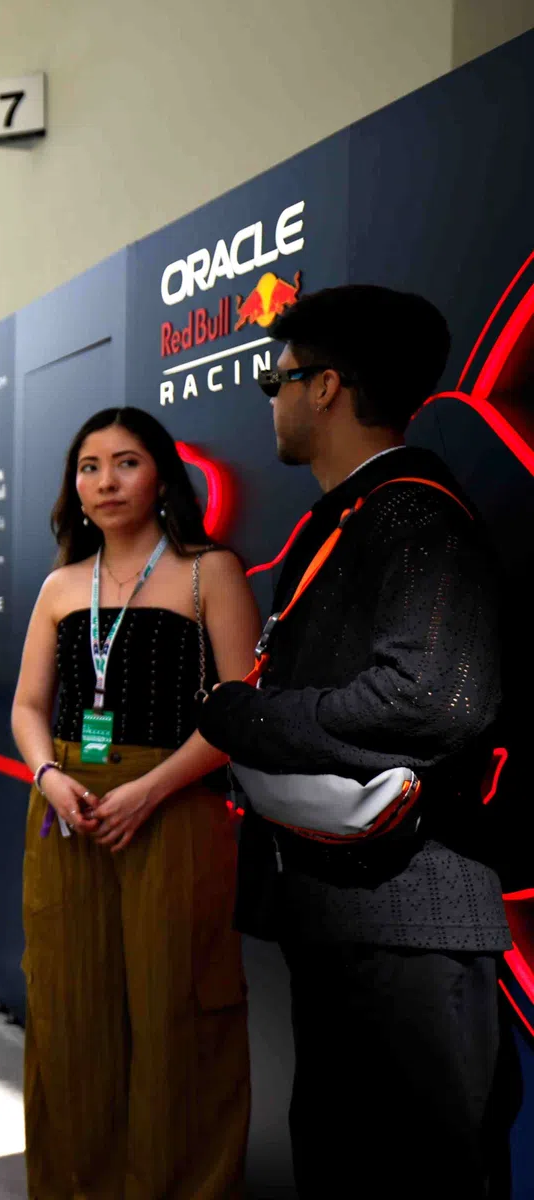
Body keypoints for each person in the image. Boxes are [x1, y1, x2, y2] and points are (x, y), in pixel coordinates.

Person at [197, 285, 517, 1196]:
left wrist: (247, 717)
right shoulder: (351, 516)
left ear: (326, 386)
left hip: (412, 923)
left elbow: (438, 697)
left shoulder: (411, 515)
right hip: (348, 911)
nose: (271, 397)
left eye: (277, 378)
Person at [9, 407, 259, 1198]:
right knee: (68, 1015)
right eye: (89, 466)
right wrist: (50, 776)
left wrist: (148, 790)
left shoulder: (207, 570)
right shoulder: (59, 585)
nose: (105, 481)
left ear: (161, 477)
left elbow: (239, 709)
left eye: (125, 462)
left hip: (177, 809)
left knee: (177, 1022)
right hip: (68, 814)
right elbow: (26, 707)